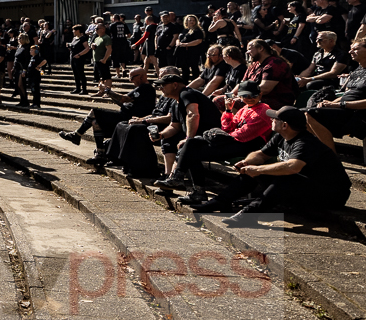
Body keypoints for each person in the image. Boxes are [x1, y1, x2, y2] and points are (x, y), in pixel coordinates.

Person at [192, 106, 352, 228]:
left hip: (331, 194)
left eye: (275, 119)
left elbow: (293, 167)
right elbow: (261, 154)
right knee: (255, 171)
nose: (271, 120)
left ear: (285, 125)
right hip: (304, 186)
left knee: (284, 179)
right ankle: (220, 201)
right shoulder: (281, 137)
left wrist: (257, 169)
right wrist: (248, 162)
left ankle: (249, 215)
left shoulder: (305, 143)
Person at [160, 81, 272, 203]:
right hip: (233, 142)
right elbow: (227, 127)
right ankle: (185, 182)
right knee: (190, 144)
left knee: (191, 149)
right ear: (239, 96)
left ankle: (187, 183)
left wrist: (219, 137)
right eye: (245, 96)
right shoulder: (244, 109)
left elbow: (245, 134)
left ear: (260, 95)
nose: (249, 99)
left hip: (248, 146)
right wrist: (228, 110)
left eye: (253, 96)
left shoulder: (263, 111)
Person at [304, 35, 366, 150]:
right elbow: (347, 95)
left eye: (355, 49)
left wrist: (338, 105)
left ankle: (330, 157)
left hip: (365, 114)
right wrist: (329, 102)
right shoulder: (357, 71)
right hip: (346, 110)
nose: (350, 51)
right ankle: (317, 151)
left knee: (311, 113)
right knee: (295, 115)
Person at [59, 66, 155, 159]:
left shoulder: (145, 88)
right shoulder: (141, 88)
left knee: (95, 111)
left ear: (141, 76)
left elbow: (124, 99)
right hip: (125, 115)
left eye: (132, 77)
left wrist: (107, 90)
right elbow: (123, 103)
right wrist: (109, 94)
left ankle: (77, 134)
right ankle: (100, 152)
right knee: (95, 122)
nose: (130, 80)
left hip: (129, 118)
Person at [151, 75, 222, 187]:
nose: (161, 88)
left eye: (163, 85)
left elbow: (193, 114)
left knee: (188, 147)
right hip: (195, 137)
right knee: (168, 141)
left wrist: (188, 138)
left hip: (210, 136)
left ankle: (176, 179)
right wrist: (161, 135)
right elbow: (175, 126)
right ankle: (168, 177)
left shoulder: (187, 94)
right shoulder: (175, 102)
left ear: (175, 85)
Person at [67, 25, 91, 94]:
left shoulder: (83, 38)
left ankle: (84, 89)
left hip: (79, 58)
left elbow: (87, 48)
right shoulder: (74, 38)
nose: (73, 31)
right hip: (73, 57)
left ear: (78, 30)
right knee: (75, 73)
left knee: (81, 73)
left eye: (74, 30)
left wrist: (79, 54)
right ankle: (77, 88)